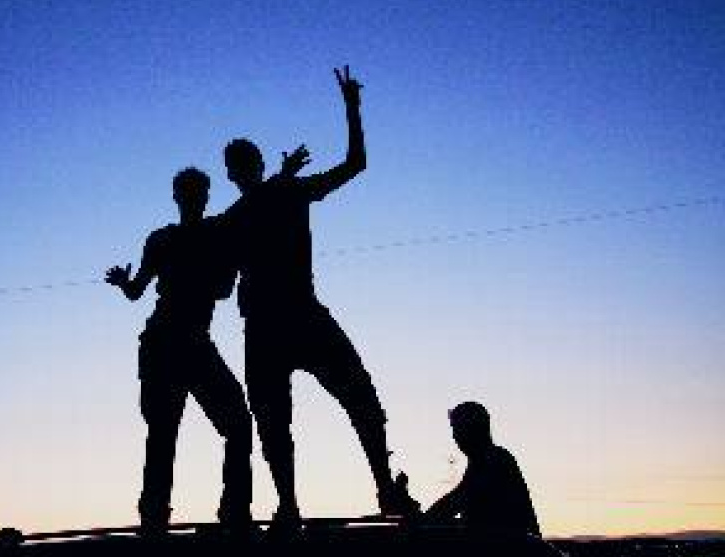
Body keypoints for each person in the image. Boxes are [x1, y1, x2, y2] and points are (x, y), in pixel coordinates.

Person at [218, 66, 418, 532]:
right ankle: (295, 503)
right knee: (283, 418)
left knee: (353, 399)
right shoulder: (267, 199)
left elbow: (354, 165)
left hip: (293, 319)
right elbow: (354, 164)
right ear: (244, 170)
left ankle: (373, 488)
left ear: (238, 171)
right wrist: (351, 110)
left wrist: (352, 109)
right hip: (276, 324)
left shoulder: (269, 199)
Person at [105, 168, 253, 536]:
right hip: (175, 344)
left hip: (174, 344)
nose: (195, 198)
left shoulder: (172, 238)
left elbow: (136, 292)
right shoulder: (201, 235)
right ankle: (226, 512)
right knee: (201, 428)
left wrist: (126, 283)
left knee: (168, 434)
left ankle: (163, 517)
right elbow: (220, 290)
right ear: (196, 197)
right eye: (194, 193)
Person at [424, 401, 541, 538]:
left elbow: (458, 500)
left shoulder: (494, 460)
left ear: (474, 430)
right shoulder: (484, 461)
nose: (455, 437)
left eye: (458, 429)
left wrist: (423, 521)